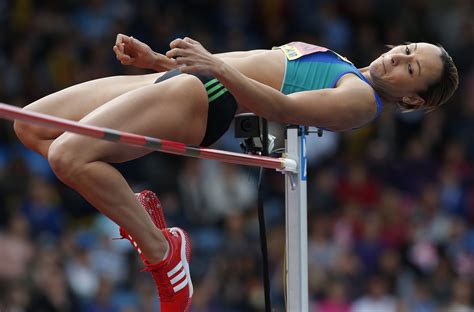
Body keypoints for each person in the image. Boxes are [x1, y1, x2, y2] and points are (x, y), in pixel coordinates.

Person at [13, 34, 458, 311]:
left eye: (410, 69)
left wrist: (212, 66)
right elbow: (249, 63)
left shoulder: (361, 99)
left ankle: (164, 253)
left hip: (205, 98)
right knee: (31, 126)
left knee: (67, 156)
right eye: (405, 51)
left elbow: (280, 106)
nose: (396, 60)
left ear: (414, 101)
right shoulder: (341, 61)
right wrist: (159, 64)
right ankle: (146, 224)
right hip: (190, 80)